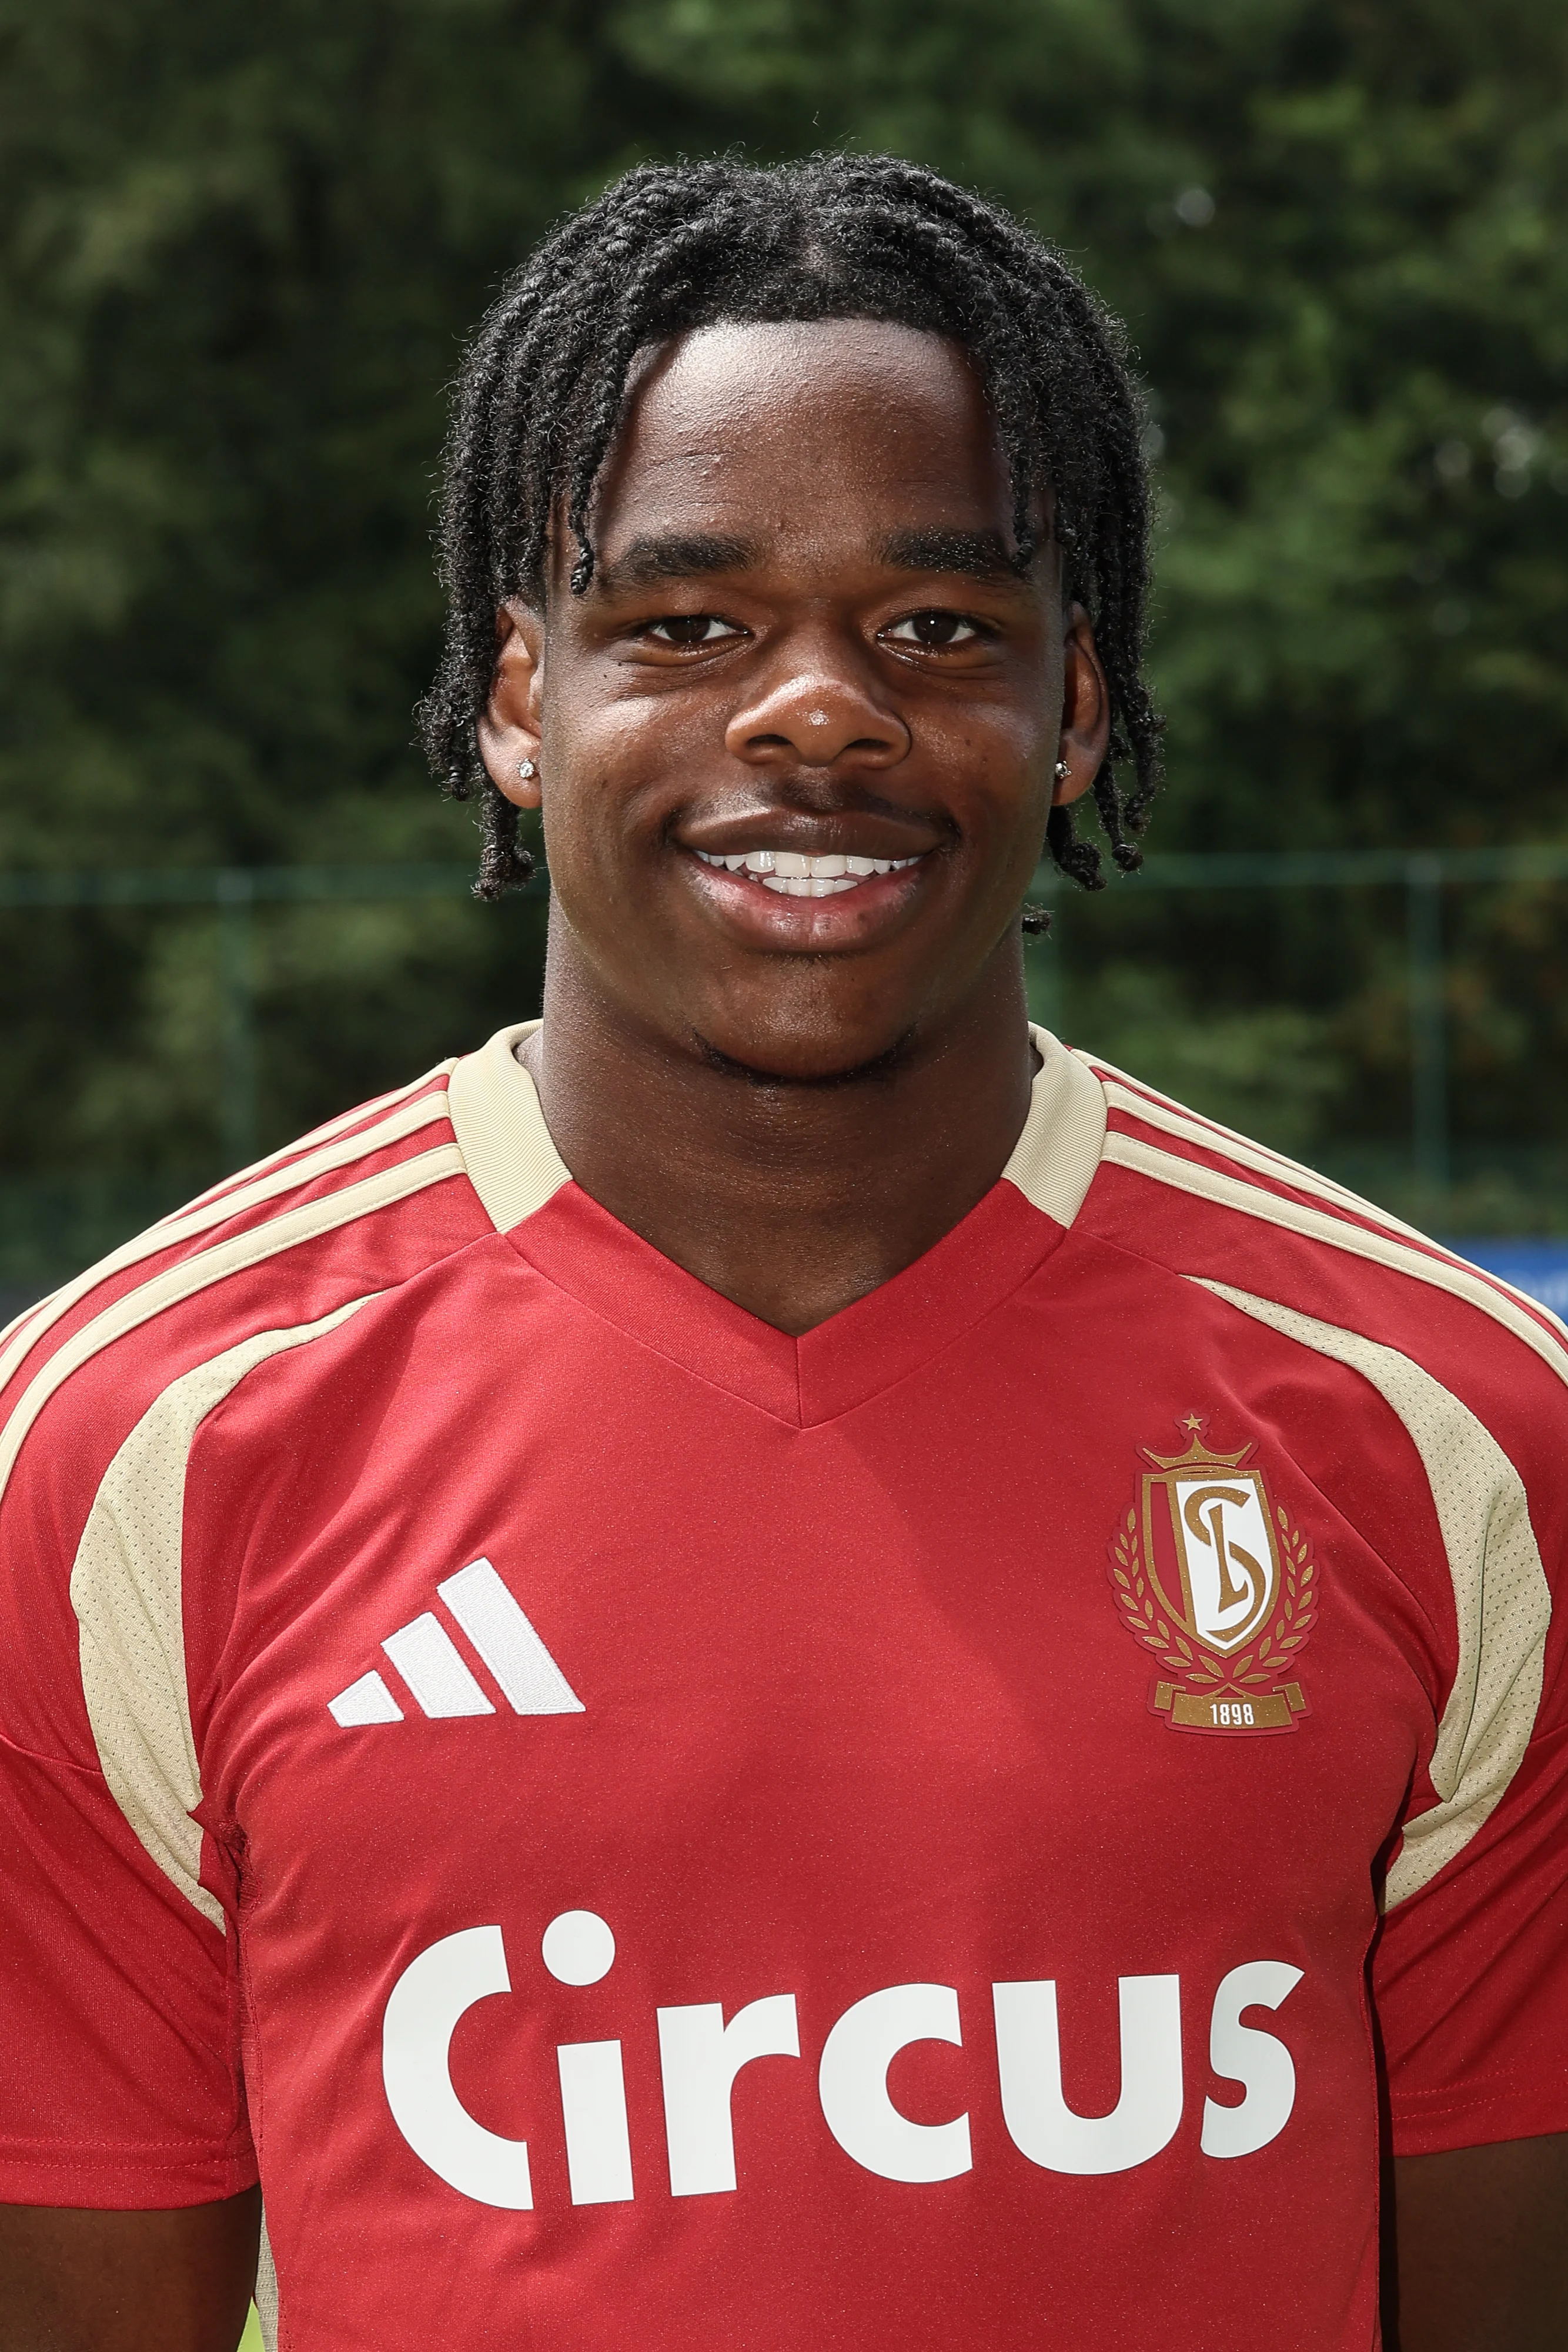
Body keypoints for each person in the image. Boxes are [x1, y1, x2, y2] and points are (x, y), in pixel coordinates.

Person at [0, 155, 1563, 2352]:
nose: (818, 710)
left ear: (1078, 706)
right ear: (523, 702)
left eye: (938, 628)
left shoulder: (1458, 1436)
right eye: (689, 625)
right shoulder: (126, 1456)